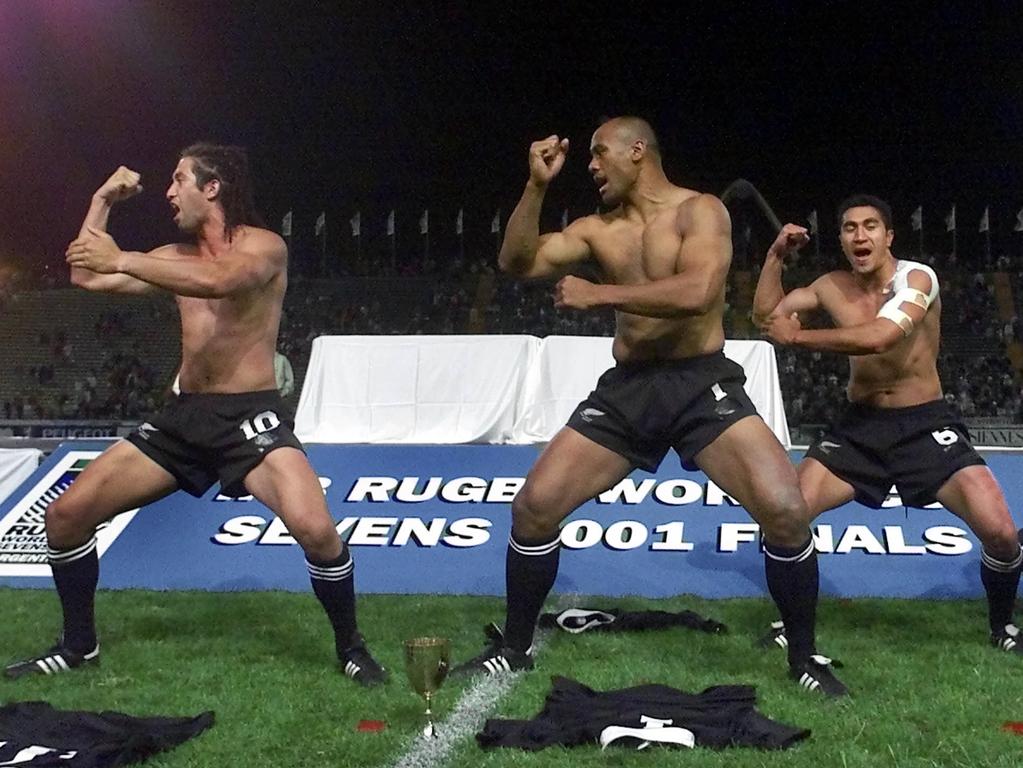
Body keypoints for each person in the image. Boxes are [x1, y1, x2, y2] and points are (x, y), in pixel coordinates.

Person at [453, 117, 843, 695]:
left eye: (597, 153)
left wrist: (600, 293)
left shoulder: (701, 210)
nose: (589, 165)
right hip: (630, 386)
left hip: (699, 382)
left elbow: (699, 293)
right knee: (534, 507)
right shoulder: (596, 229)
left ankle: (805, 659)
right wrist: (536, 186)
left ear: (637, 152)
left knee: (785, 511)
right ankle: (514, 649)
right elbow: (517, 262)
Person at [4, 144, 386, 686]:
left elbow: (221, 280)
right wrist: (100, 201)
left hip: (249, 417)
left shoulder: (265, 247)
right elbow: (86, 277)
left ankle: (351, 647)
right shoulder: (172, 256)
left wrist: (123, 258)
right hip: (184, 417)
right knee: (65, 517)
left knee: (316, 529)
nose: (168, 191)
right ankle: (78, 646)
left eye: (178, 179)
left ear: (212, 188)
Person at [753, 195, 1023, 685]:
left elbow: (881, 336)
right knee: (784, 516)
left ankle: (1001, 624)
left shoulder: (918, 278)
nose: (860, 236)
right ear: (841, 239)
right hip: (860, 427)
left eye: (871, 226)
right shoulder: (829, 285)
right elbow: (765, 317)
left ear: (889, 236)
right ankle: (793, 627)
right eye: (850, 228)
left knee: (1002, 532)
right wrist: (774, 258)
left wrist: (800, 339)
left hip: (924, 424)